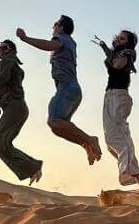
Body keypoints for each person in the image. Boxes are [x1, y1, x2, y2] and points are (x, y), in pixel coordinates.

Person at [16, 16, 102, 165]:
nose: (53, 27)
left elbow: (49, 45)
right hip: (71, 90)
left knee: (55, 121)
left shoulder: (62, 38)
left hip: (67, 88)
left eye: (55, 24)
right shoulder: (70, 42)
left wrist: (25, 38)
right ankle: (86, 144)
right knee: (58, 128)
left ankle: (90, 140)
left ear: (61, 27)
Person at [93, 30, 139, 193]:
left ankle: (127, 171)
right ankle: (137, 172)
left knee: (117, 136)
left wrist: (109, 54)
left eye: (123, 38)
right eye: (117, 36)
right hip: (111, 95)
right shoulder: (118, 53)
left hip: (118, 96)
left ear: (129, 42)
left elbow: (117, 65)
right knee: (112, 142)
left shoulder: (127, 53)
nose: (118, 39)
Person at [0, 39, 43, 185]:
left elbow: (0, 81)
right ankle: (33, 167)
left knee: (0, 143)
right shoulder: (6, 65)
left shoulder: (9, 63)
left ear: (12, 51)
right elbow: (2, 86)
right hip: (14, 108)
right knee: (1, 143)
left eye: (4, 48)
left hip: (15, 107)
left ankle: (33, 167)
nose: (0, 51)